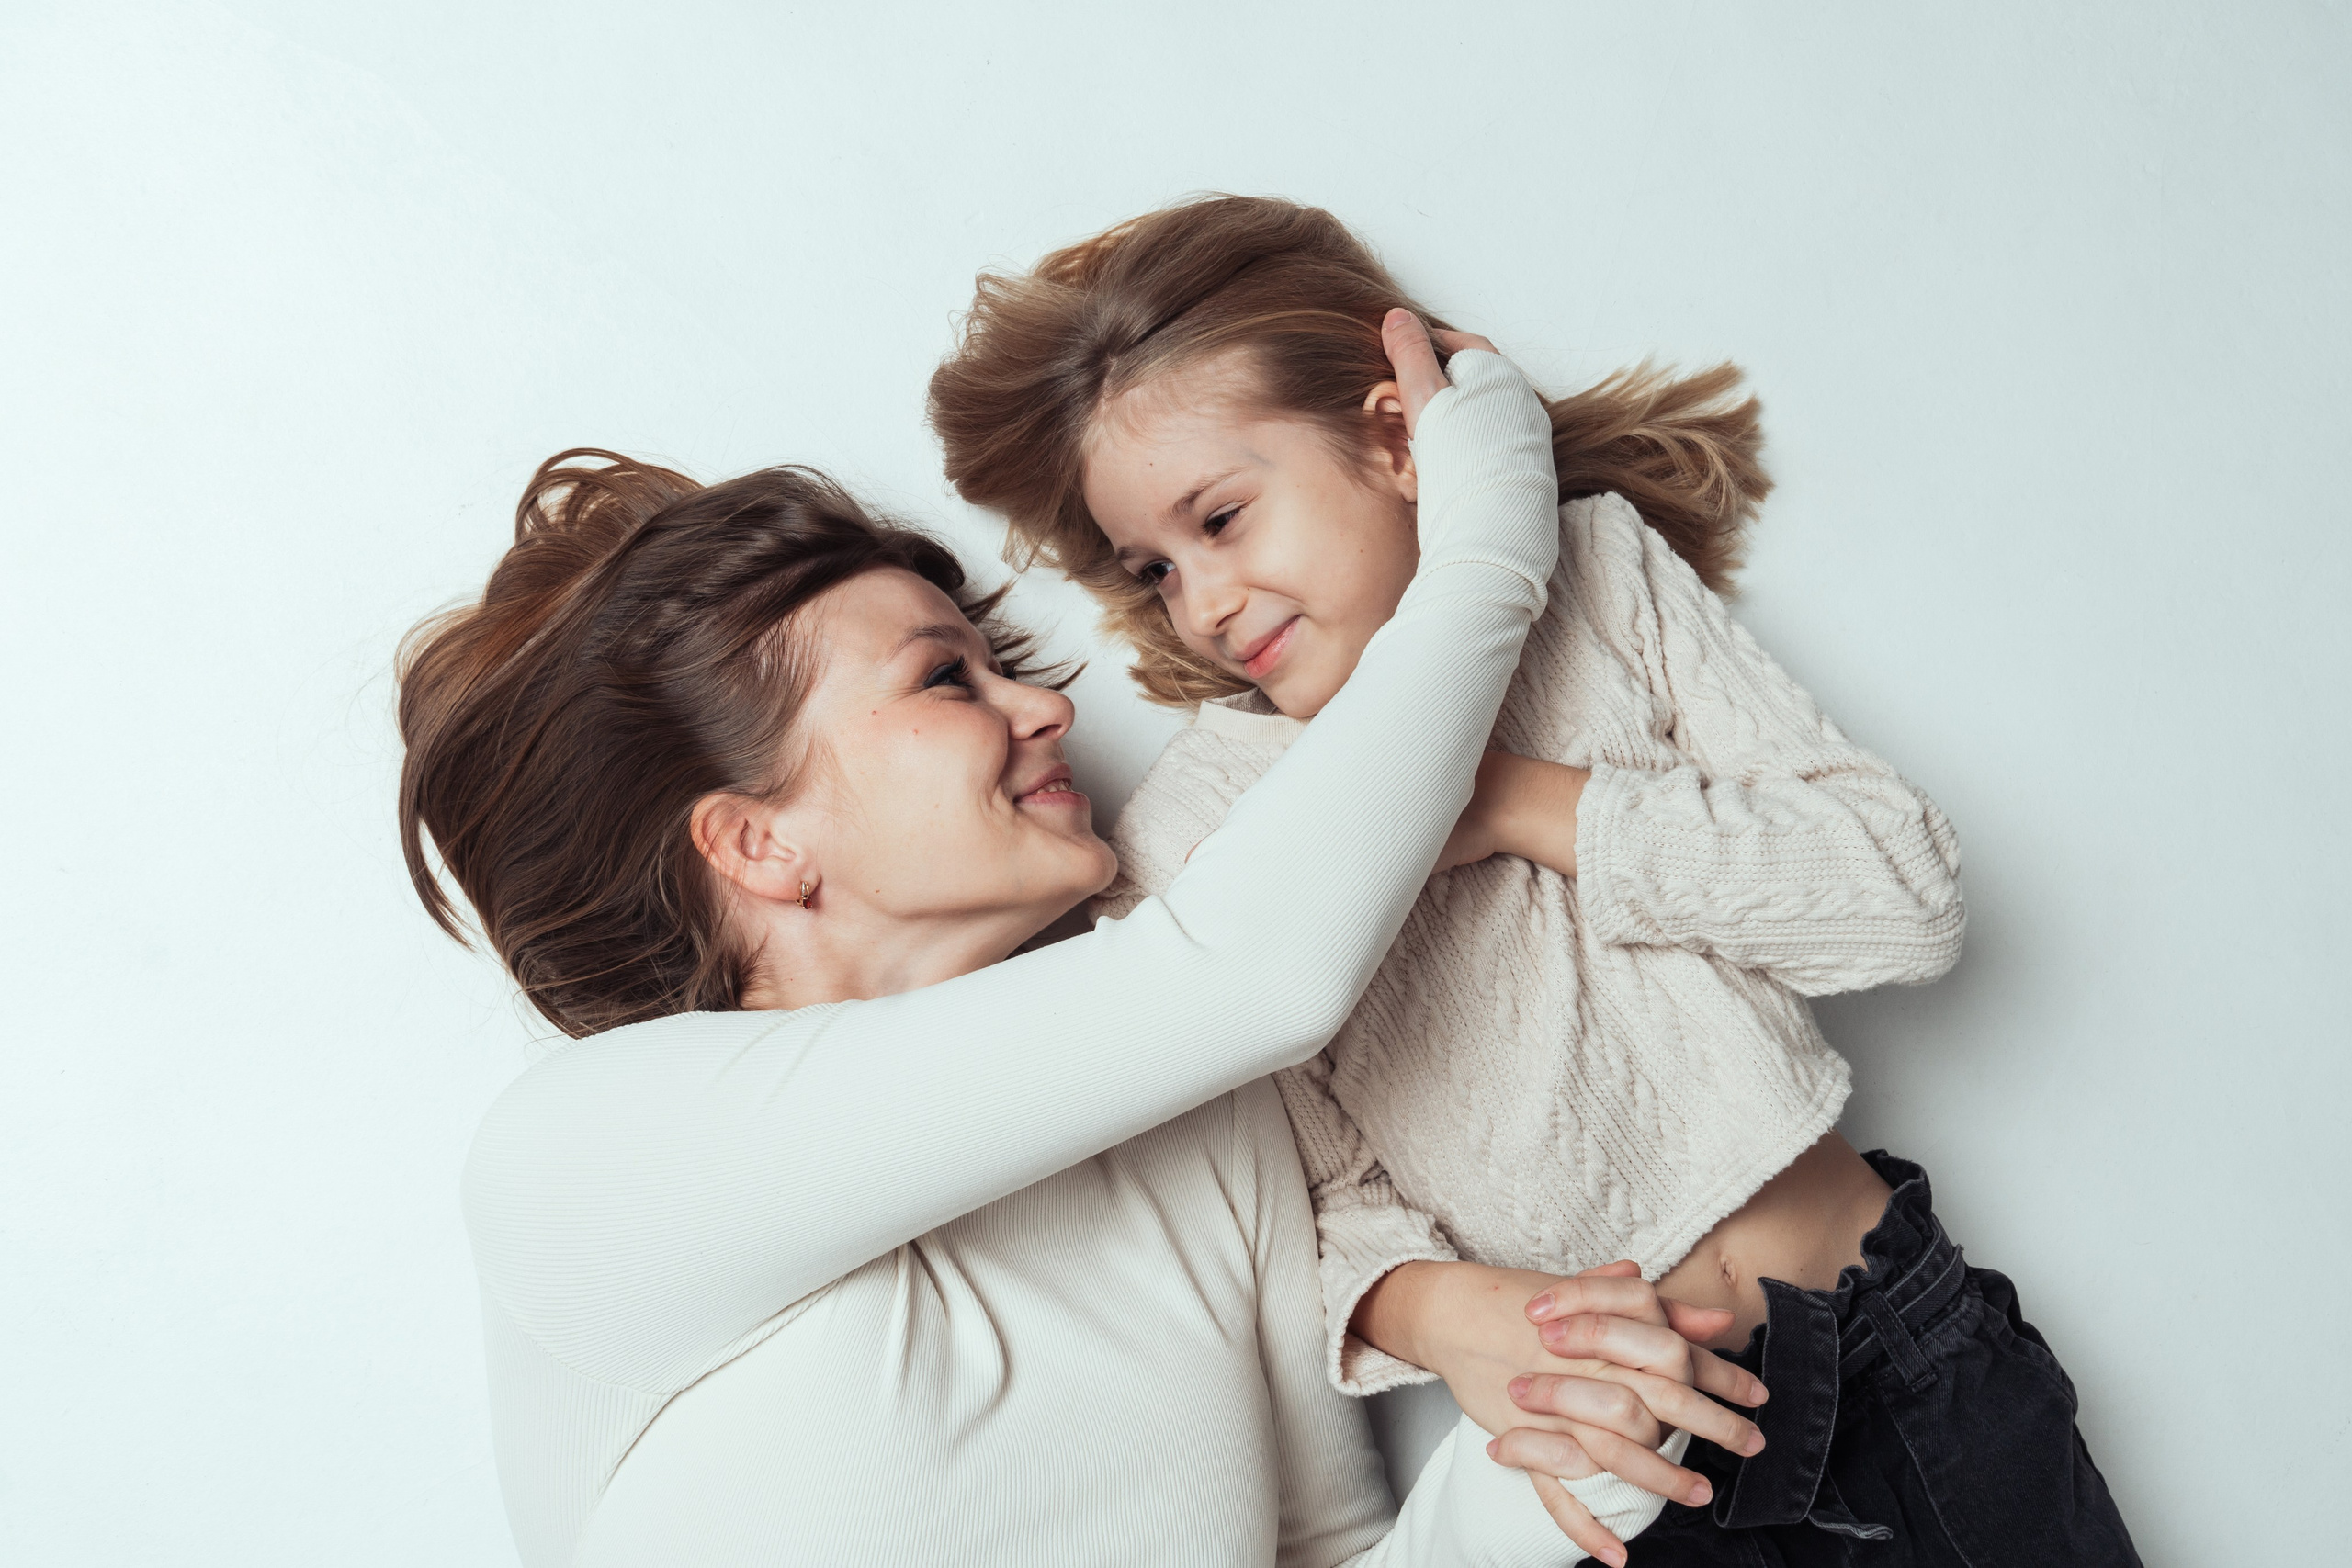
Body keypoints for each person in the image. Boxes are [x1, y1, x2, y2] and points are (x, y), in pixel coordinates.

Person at [398, 332, 1764, 1568]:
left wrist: (1581, 1415)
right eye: (945, 679)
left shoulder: (1206, 1131)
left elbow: (1334, 1557)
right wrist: (1485, 544)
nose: (1042, 709)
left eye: (999, 663)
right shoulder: (580, 1160)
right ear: (757, 847)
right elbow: (1250, 969)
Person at [926, 195, 2142, 1565]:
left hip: (1904, 1351)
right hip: (1634, 1472)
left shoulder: (1601, 581)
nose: (1202, 602)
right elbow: (1305, 1218)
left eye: (1223, 518)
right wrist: (1437, 1311)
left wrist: (1514, 803)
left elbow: (1902, 896)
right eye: (1157, 568)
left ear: (1395, 441)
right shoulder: (1191, 841)